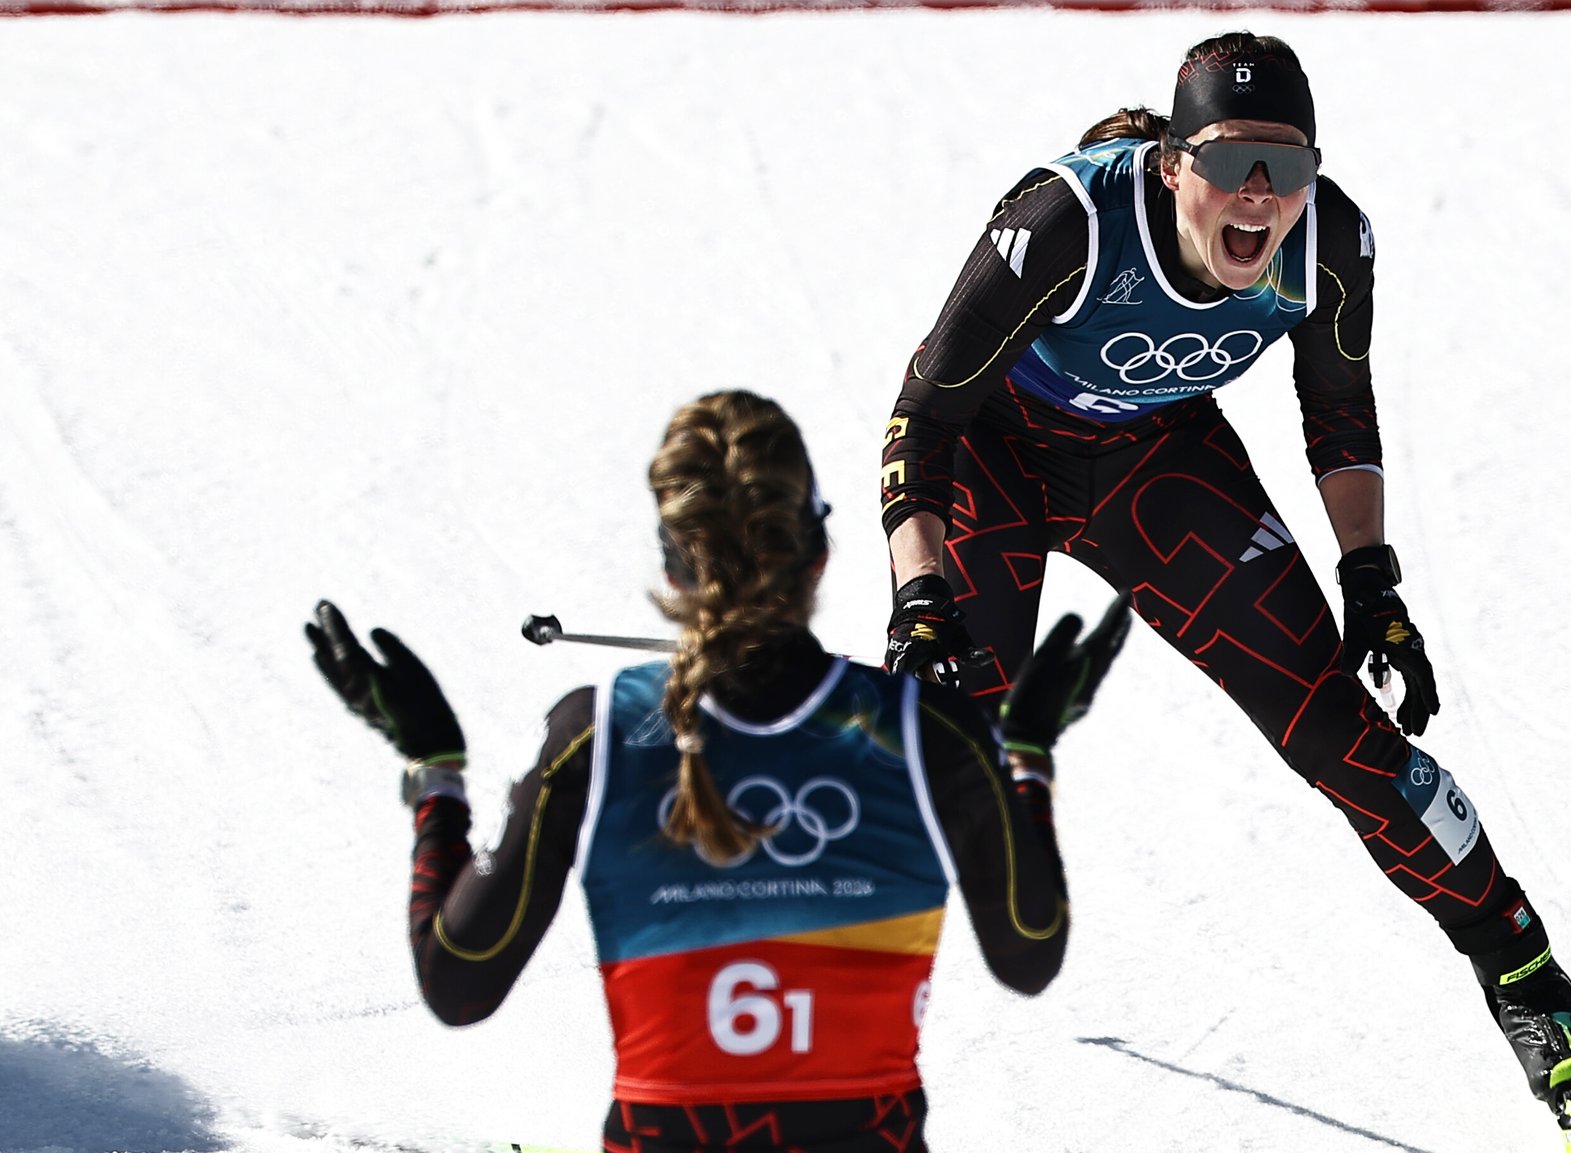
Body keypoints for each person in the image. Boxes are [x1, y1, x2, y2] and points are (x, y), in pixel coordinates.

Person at [877, 32, 1571, 1132]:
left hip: (1153, 467)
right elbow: (924, 419)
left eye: (1287, 164)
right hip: (995, 456)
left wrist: (1371, 582)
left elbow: (1339, 410)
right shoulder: (1067, 224)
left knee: (1343, 736)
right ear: (1173, 163)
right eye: (1229, 161)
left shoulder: (1328, 242)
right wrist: (920, 597)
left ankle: (1526, 977)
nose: (1259, 194)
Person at [308, 389, 1130, 1153]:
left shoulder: (594, 735)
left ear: (671, 571)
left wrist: (436, 770)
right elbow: (1028, 954)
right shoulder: (925, 730)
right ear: (819, 552)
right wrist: (1025, 755)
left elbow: (457, 984)